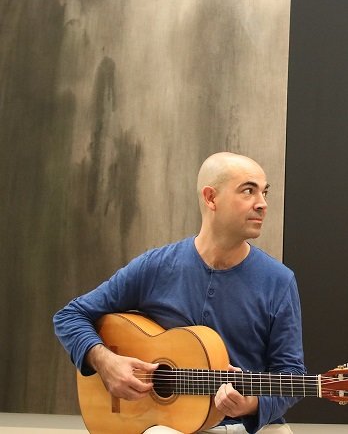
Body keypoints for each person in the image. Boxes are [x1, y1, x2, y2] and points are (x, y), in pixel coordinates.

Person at [53, 152, 305, 434]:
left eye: (264, 192)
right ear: (211, 198)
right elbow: (69, 316)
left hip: (249, 427)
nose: (262, 203)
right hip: (169, 426)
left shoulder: (279, 281)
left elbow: (291, 373)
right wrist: (105, 361)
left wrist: (252, 404)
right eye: (248, 191)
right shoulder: (156, 267)